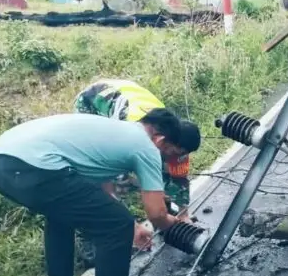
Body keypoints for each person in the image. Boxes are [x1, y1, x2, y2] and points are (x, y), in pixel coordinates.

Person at [0, 109, 189, 276]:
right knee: (117, 226)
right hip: (32, 166)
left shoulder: (115, 134)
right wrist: (175, 224)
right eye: (169, 152)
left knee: (60, 216)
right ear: (160, 140)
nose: (166, 158)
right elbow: (156, 214)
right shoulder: (146, 146)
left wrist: (135, 227)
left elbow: (100, 193)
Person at [74, 79, 201, 219]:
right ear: (163, 140)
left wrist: (183, 214)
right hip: (92, 99)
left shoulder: (173, 139)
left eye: (181, 155)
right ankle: (109, 215)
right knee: (114, 177)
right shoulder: (132, 134)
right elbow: (119, 173)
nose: (175, 157)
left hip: (131, 96)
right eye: (174, 153)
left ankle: (166, 207)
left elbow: (179, 179)